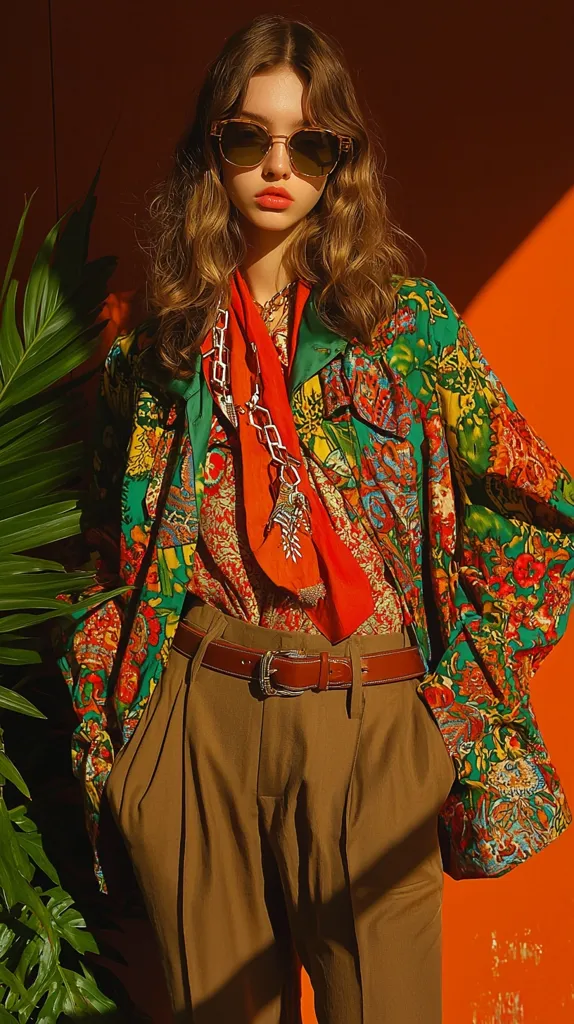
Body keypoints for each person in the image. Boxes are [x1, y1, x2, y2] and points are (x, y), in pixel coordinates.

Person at [58, 13, 574, 1024]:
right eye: (248, 137)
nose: (277, 165)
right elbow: (94, 533)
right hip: (198, 718)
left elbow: (542, 508)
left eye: (310, 142)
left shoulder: (407, 329)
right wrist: (130, 742)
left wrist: (449, 699)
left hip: (370, 720)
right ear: (212, 150)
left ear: (343, 160)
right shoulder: (159, 348)